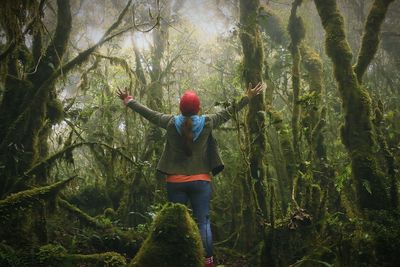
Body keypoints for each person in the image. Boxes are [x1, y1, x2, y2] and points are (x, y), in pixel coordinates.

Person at [117, 82, 264, 267]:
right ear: (199, 108)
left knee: (177, 222)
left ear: (180, 108)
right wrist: (247, 97)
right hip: (201, 182)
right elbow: (229, 112)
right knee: (204, 222)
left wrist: (128, 100)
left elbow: (148, 113)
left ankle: (177, 260)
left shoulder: (170, 122)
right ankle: (208, 262)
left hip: (175, 182)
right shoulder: (208, 122)